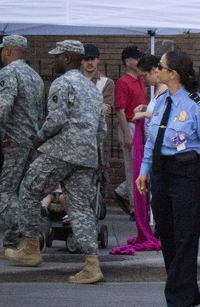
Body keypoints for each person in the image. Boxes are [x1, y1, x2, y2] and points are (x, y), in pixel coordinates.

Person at [6, 40, 107, 285]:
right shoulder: (92, 88)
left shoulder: (62, 83)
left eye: (57, 56)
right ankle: (92, 265)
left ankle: (30, 248)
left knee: (29, 189)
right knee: (80, 207)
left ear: (68, 58)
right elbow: (102, 129)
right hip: (87, 155)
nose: (54, 61)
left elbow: (56, 118)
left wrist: (38, 138)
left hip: (62, 151)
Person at [135, 50, 200, 307]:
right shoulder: (162, 101)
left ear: (173, 74)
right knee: (166, 233)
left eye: (161, 67)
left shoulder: (197, 105)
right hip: (161, 173)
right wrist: (144, 170)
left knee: (185, 236)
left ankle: (178, 298)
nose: (158, 70)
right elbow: (152, 140)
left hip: (187, 174)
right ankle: (187, 294)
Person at [0, 35, 44, 260]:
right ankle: (11, 242)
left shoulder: (8, 73)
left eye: (3, 50)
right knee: (20, 193)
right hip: (30, 141)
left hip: (11, 142)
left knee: (0, 191)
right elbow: (40, 111)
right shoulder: (35, 76)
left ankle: (29, 236)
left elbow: (1, 109)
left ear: (9, 52)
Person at [111, 54, 165, 255]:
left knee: (157, 189)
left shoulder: (165, 90)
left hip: (159, 146)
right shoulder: (157, 90)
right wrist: (145, 108)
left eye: (145, 76)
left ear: (155, 71)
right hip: (152, 143)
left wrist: (145, 114)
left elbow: (164, 114)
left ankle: (161, 229)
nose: (144, 80)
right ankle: (159, 228)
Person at [114, 45, 147, 217]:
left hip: (140, 125)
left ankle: (123, 192)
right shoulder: (123, 82)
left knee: (141, 166)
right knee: (133, 167)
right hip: (130, 125)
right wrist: (127, 133)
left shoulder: (140, 80)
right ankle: (135, 207)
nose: (140, 61)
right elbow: (120, 110)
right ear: (128, 62)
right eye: (136, 58)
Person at [81, 43, 114, 192]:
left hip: (98, 136)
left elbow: (106, 110)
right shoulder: (75, 80)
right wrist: (96, 106)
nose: (89, 62)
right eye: (86, 59)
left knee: (98, 174)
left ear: (98, 60)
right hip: (77, 137)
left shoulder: (106, 83)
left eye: (92, 59)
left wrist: (81, 106)